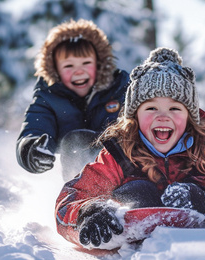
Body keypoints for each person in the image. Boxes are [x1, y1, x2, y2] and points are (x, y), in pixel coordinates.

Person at [55, 47, 205, 248]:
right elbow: (68, 203)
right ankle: (78, 148)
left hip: (176, 201)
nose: (163, 116)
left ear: (190, 117)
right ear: (135, 116)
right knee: (138, 191)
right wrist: (88, 212)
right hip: (125, 190)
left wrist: (204, 198)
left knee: (144, 191)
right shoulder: (120, 153)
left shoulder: (202, 152)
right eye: (151, 108)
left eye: (174, 108)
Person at [16, 19, 129, 180]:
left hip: (121, 166)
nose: (78, 71)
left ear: (99, 64)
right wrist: (31, 149)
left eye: (86, 63)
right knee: (76, 140)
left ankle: (136, 192)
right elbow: (36, 126)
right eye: (69, 66)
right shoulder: (49, 97)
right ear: (55, 70)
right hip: (75, 170)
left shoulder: (119, 90)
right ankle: (77, 193)